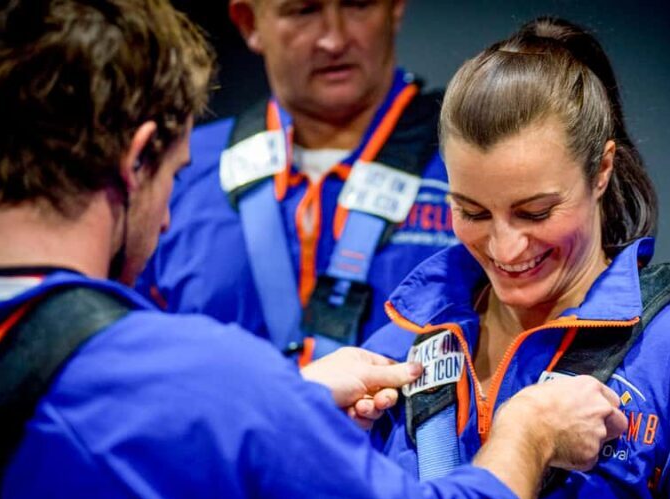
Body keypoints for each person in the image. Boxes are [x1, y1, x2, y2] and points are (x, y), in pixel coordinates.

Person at [0, 1, 629, 499]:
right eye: (175, 176)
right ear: (137, 162)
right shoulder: (200, 373)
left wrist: (284, 398)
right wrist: (528, 433)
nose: (168, 219)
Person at [364, 17, 670, 499]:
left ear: (601, 170)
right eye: (472, 212)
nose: (505, 247)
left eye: (536, 212)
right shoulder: (395, 353)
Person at [135, 0, 458, 363]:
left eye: (358, 5)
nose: (334, 40)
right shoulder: (175, 171)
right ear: (249, 23)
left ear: (395, 8)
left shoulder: (470, 162)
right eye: (304, 11)